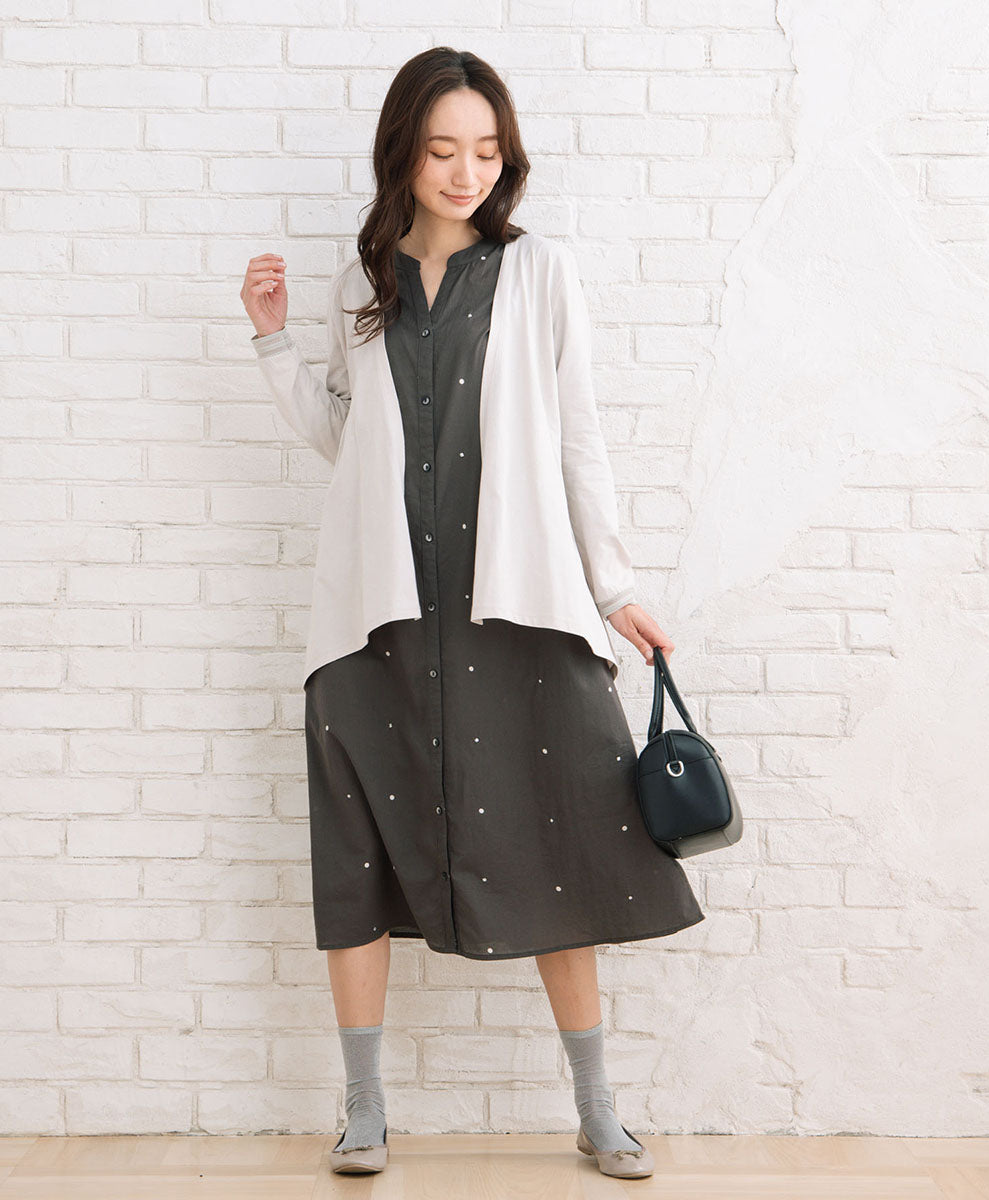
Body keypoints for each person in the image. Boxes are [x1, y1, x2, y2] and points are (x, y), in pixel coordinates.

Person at [240, 46, 704, 1180]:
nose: (466, 173)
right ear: (403, 152)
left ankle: (596, 1108)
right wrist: (274, 340)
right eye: (444, 150)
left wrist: (614, 589)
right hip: (381, 613)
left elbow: (578, 438)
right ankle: (362, 1110)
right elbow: (345, 439)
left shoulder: (539, 271)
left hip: (514, 607)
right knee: (356, 854)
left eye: (487, 152)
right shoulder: (363, 283)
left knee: (565, 839)